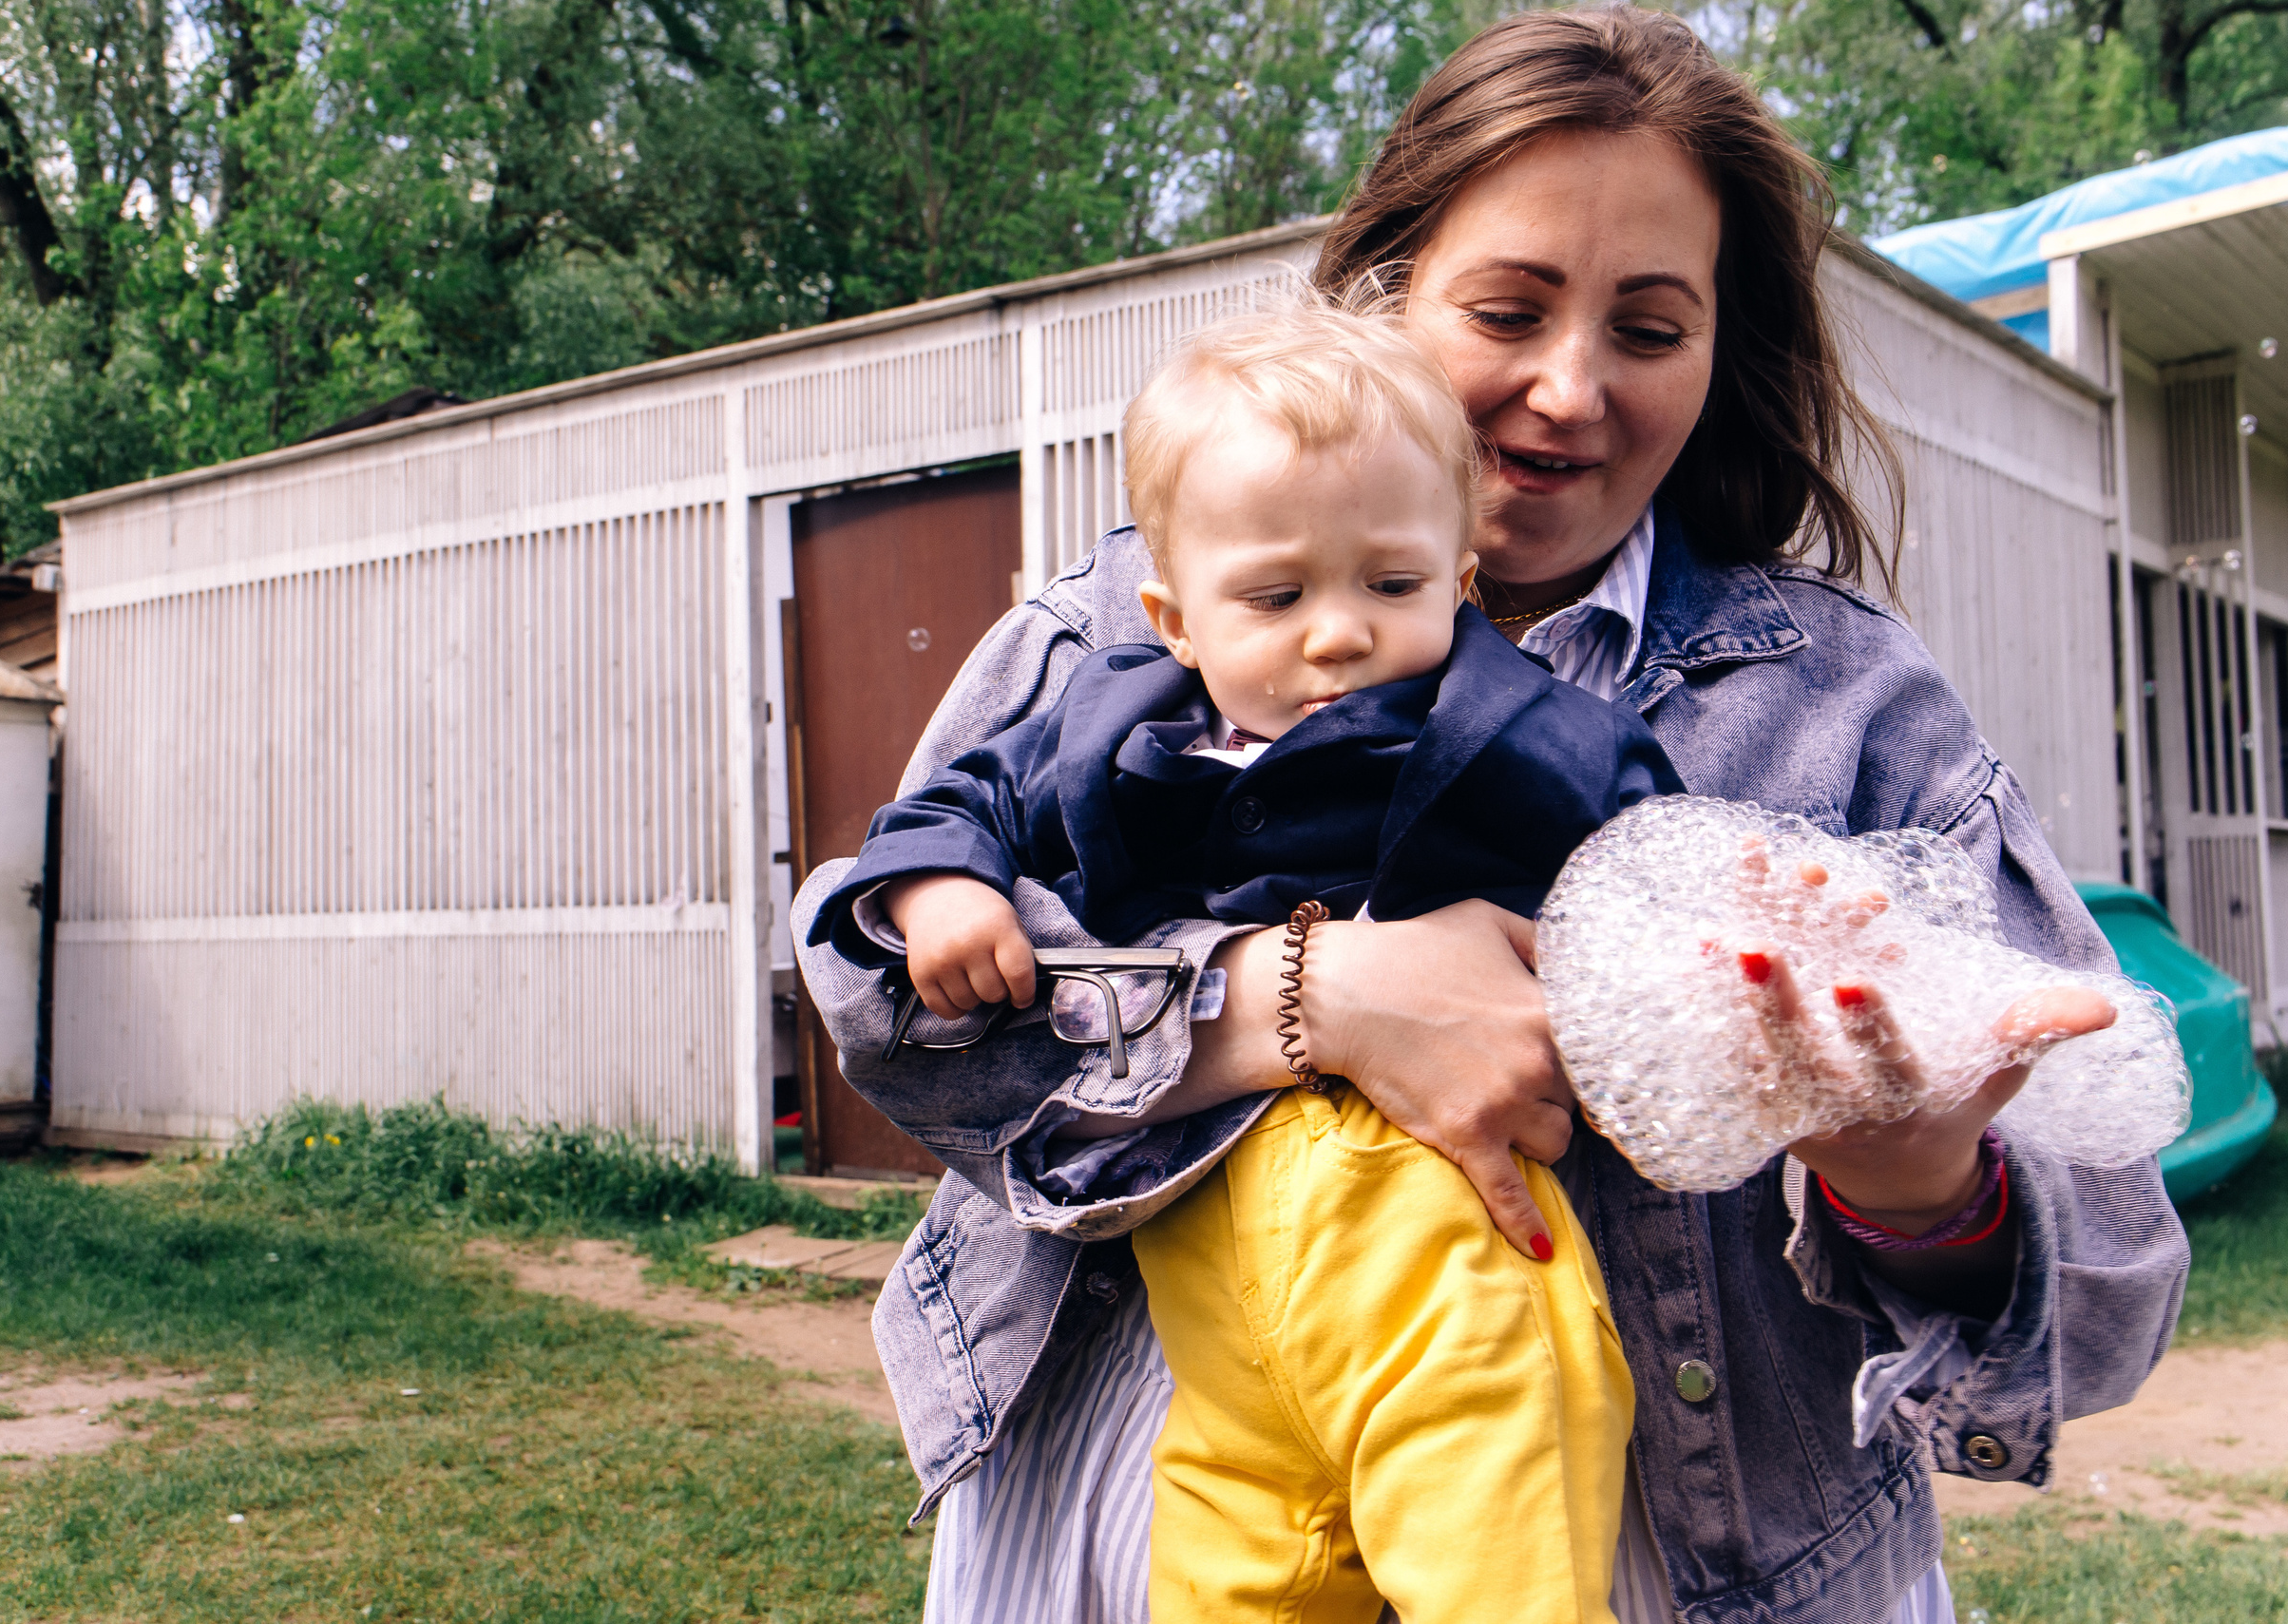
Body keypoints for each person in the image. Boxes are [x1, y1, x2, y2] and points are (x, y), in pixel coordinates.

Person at [791, 9, 2189, 1622]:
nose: (1571, 387)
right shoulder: (1123, 623)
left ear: (1723, 349)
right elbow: (882, 993)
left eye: (1651, 329)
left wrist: (1925, 1183)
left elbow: (2110, 1298)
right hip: (1145, 1538)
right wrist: (1303, 1001)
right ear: (1389, 293)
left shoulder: (1845, 708)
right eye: (1508, 309)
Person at [809, 305, 1678, 1622]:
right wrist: (941, 886)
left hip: (1446, 1256)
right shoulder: (1105, 725)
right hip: (1212, 1298)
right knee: (1231, 1564)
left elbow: (1665, 866)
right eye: (1277, 597)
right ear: (1174, 614)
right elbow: (953, 803)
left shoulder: (1519, 734)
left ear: (1457, 578)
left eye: (1391, 584)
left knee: (1502, 1549)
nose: (1338, 635)